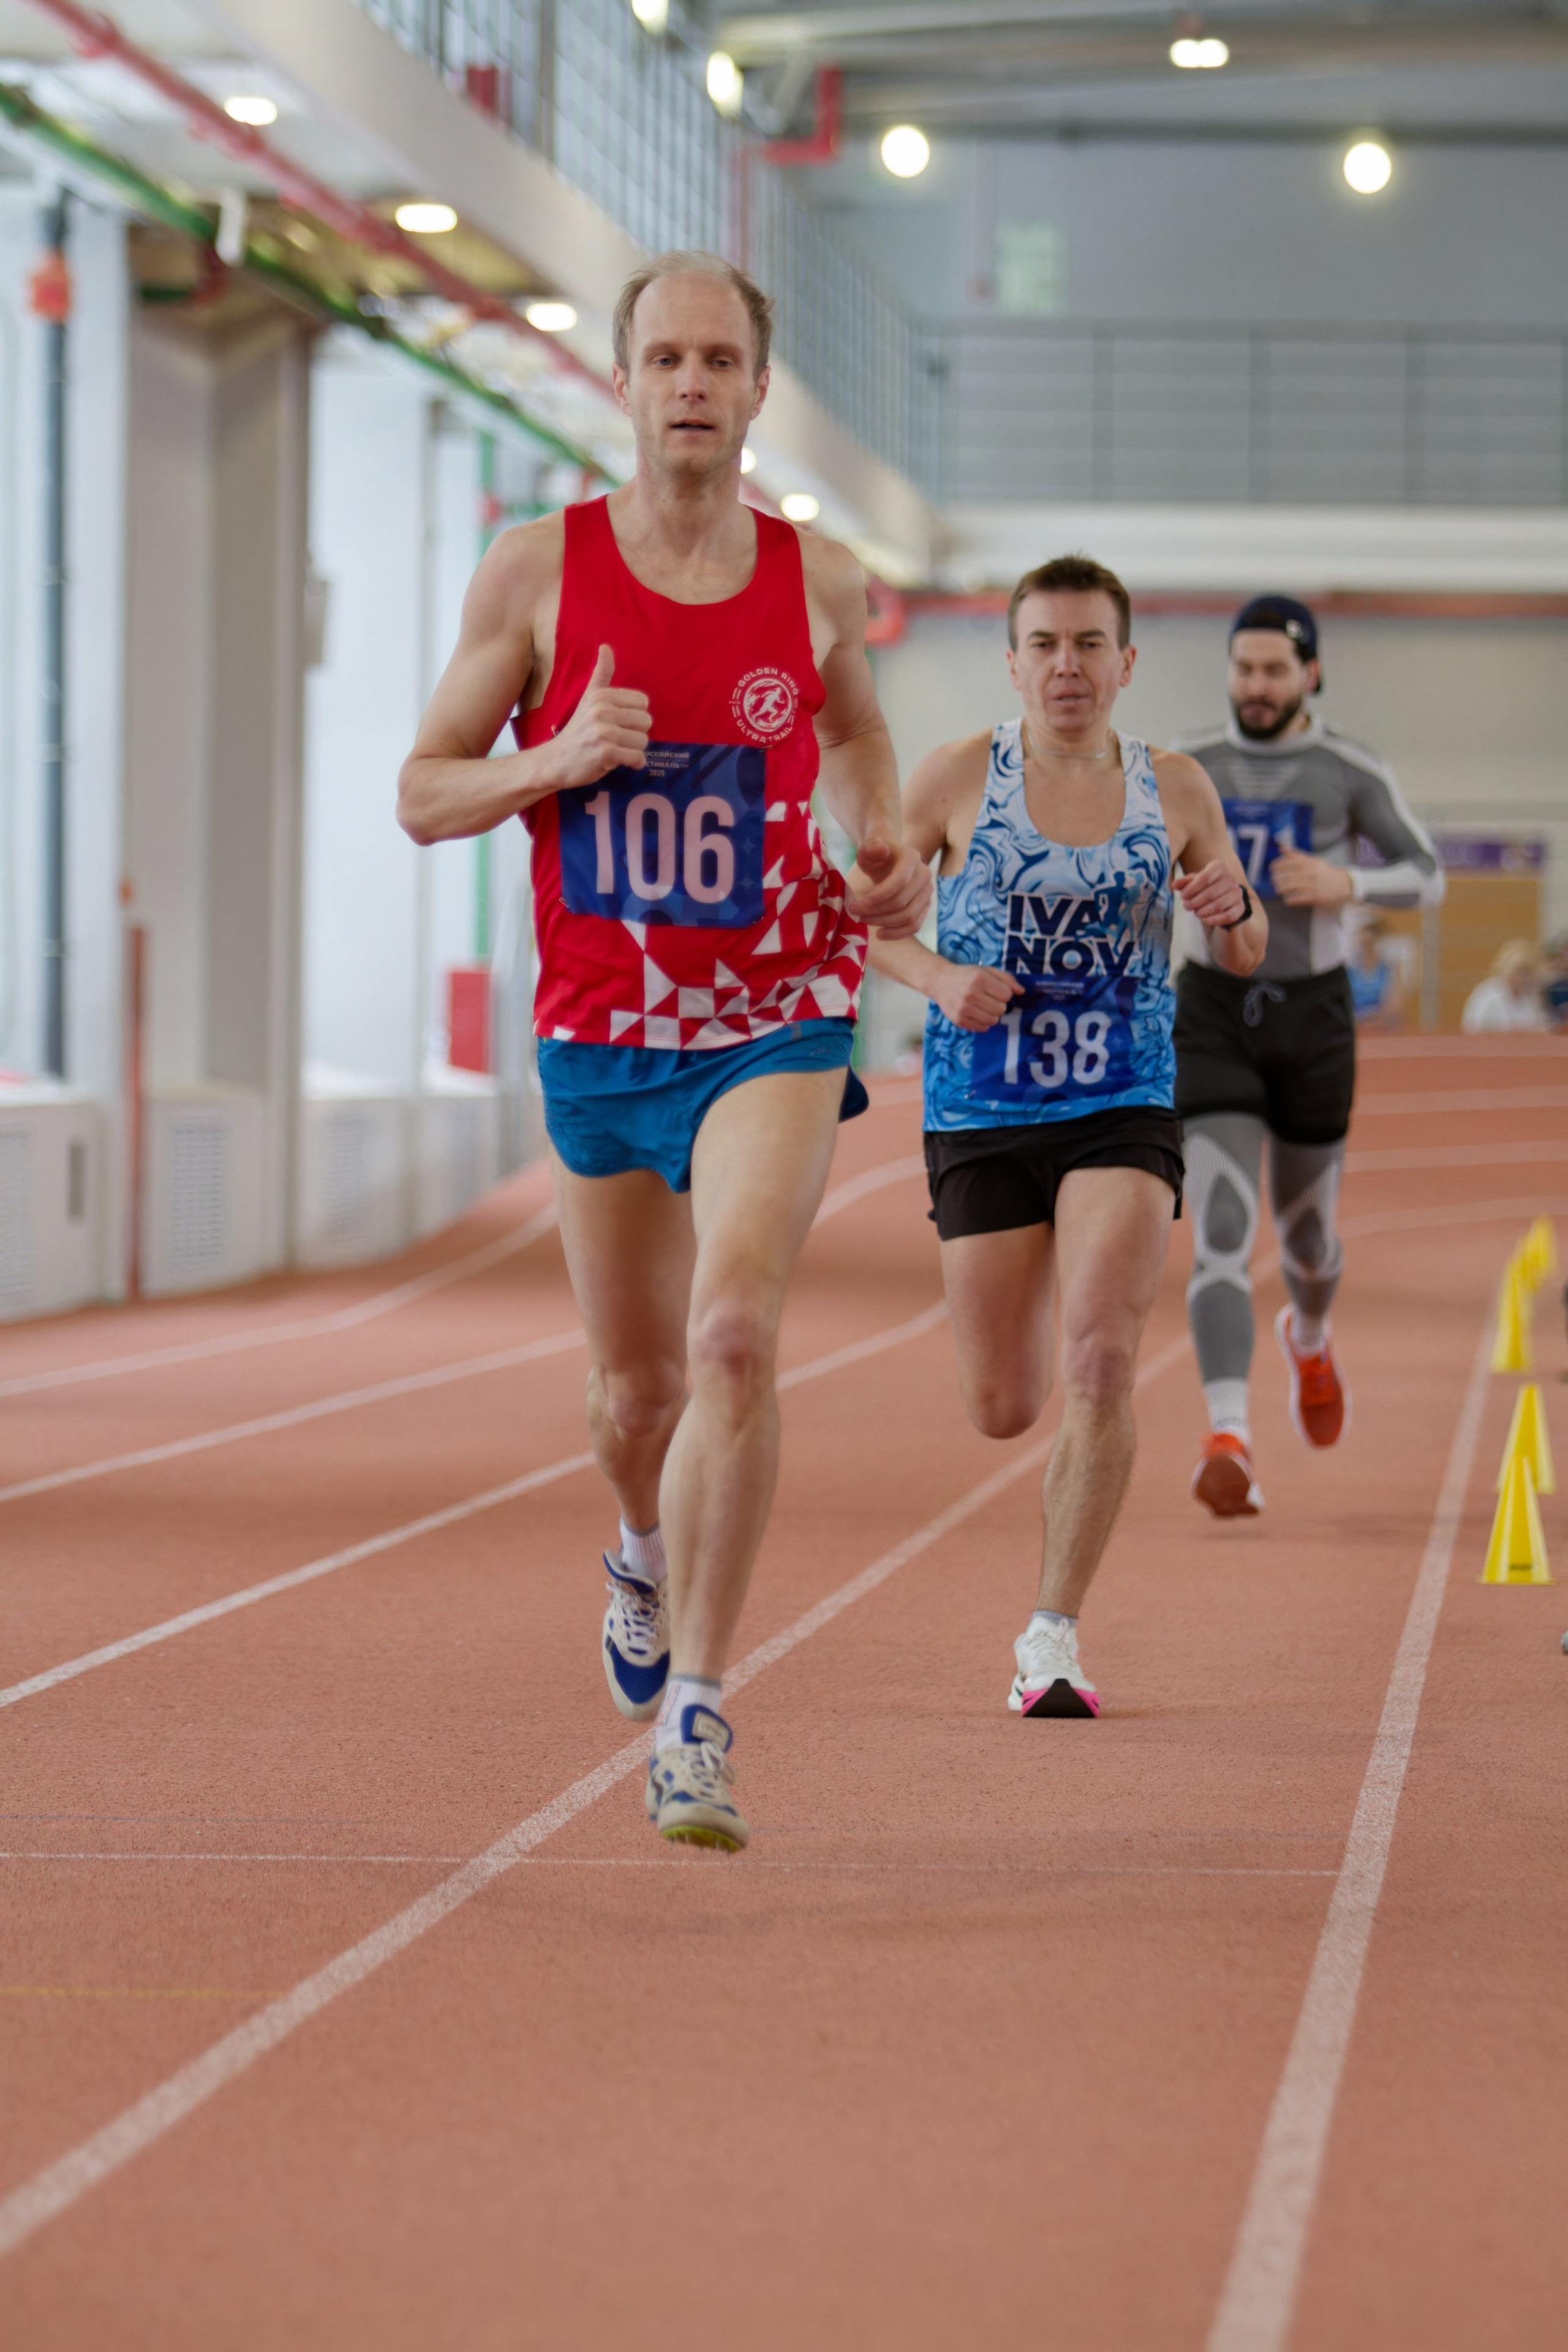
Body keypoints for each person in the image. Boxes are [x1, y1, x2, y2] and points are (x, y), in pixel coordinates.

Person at [398, 249, 930, 1851]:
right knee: (632, 1391)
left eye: (719, 359)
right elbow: (425, 790)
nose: (691, 383)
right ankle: (639, 1539)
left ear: (758, 387)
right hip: (602, 1031)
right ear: (623, 384)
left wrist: (882, 830)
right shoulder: (534, 574)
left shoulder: (816, 577)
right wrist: (554, 758)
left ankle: (700, 1705)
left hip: (774, 1011)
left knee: (731, 1342)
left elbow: (850, 726)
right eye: (664, 358)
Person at [867, 554, 1265, 1717]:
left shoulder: (1177, 790)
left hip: (1122, 1105)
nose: (1068, 667)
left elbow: (1241, 949)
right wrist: (940, 977)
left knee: (1102, 1358)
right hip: (983, 1115)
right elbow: (867, 925)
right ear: (1013, 661)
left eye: (1090, 644)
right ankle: (1035, 1316)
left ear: (1127, 663)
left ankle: (1053, 1636)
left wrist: (1232, 912)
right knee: (1003, 1403)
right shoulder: (953, 778)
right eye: (1045, 644)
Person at [1175, 595, 1445, 1518]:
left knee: (1308, 1243)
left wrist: (1350, 882)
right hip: (1211, 1009)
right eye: (1243, 670)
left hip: (1313, 1017)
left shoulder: (1347, 769)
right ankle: (1229, 1437)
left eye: (1274, 672)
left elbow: (1430, 873)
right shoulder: (1190, 767)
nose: (1256, 687)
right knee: (1217, 1223)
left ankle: (1312, 1332)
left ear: (1310, 674)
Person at [1461, 940, 1548, 1033]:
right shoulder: (1488, 993)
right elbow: (1472, 1026)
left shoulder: (1529, 998)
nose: (1522, 978)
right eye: (1518, 972)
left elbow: (1541, 1025)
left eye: (1526, 973)